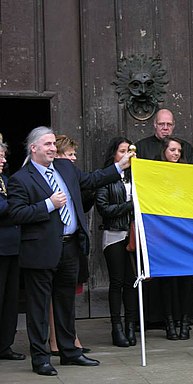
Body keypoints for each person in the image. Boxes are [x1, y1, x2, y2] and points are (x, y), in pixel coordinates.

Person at [7, 126, 134, 376]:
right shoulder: (20, 179)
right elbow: (16, 214)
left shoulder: (65, 168)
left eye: (54, 144)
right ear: (34, 148)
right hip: (40, 250)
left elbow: (92, 180)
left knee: (66, 303)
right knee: (39, 308)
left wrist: (120, 167)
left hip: (70, 247)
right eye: (47, 144)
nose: (53, 148)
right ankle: (41, 359)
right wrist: (48, 204)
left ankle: (69, 352)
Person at [135, 109, 193, 327]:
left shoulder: (185, 147)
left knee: (182, 270)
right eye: (161, 124)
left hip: (181, 221)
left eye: (169, 124)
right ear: (154, 125)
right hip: (155, 221)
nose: (165, 128)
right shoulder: (142, 147)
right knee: (157, 269)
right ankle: (157, 317)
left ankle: (183, 316)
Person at [49, 135, 90, 355]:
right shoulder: (47, 175)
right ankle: (55, 340)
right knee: (52, 294)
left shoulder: (73, 174)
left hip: (73, 242)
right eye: (70, 154)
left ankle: (70, 339)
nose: (73, 158)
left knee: (67, 294)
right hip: (53, 243)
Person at [95, 137, 138, 347]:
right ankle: (116, 327)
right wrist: (128, 206)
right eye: (122, 151)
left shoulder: (136, 176)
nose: (126, 155)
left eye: (129, 151)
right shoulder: (106, 178)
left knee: (132, 281)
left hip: (134, 236)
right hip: (114, 235)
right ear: (114, 154)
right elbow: (103, 209)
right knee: (117, 282)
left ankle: (131, 325)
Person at [159, 136, 193, 340]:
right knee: (168, 281)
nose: (175, 154)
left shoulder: (187, 172)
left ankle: (184, 321)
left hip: (184, 234)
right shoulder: (156, 173)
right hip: (165, 234)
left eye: (178, 151)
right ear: (164, 151)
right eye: (172, 150)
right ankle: (169, 322)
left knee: (185, 280)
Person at [0, 141, 25, 362]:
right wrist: (19, 205)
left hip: (13, 248)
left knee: (10, 300)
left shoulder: (5, 181)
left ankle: (5, 344)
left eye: (4, 156)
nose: (4, 160)